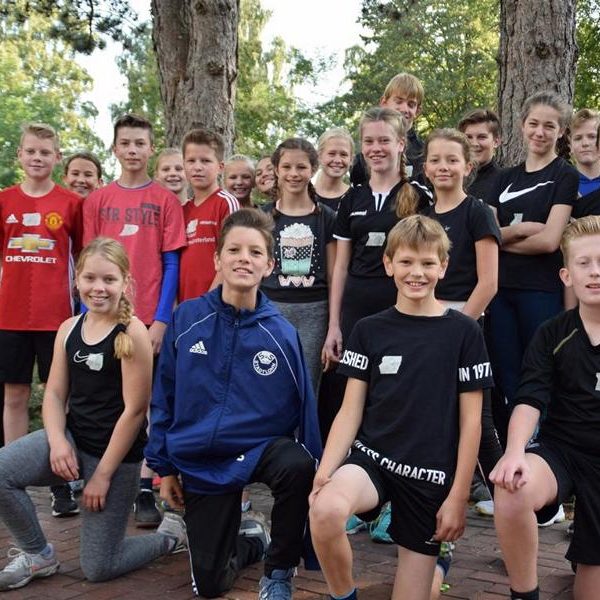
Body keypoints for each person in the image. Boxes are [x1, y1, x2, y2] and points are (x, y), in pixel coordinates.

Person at [309, 215, 492, 600]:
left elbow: (472, 422)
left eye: (427, 263)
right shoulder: (368, 329)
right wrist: (325, 472)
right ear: (389, 263)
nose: (417, 272)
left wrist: (459, 496)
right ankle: (344, 596)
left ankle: (438, 564)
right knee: (324, 511)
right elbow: (350, 410)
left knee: (421, 593)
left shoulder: (464, 332)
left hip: (428, 474)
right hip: (373, 460)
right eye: (406, 261)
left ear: (443, 267)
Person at [146, 208, 322, 599]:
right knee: (210, 586)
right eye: (234, 250)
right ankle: (253, 541)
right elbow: (164, 397)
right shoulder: (186, 319)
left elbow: (305, 412)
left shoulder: (281, 333)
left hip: (258, 449)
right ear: (218, 259)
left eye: (255, 252)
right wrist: (165, 468)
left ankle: (278, 571)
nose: (244, 258)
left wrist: (316, 474)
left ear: (269, 265)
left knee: (297, 463)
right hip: (203, 457)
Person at [0, 237, 187, 592]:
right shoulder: (69, 328)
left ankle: (170, 536)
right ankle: (38, 554)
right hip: (74, 440)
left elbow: (135, 411)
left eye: (108, 279)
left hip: (115, 458)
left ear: (125, 282)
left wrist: (101, 475)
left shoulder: (132, 332)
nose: (98, 288)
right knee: (2, 471)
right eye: (89, 278)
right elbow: (55, 393)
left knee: (99, 567)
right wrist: (58, 441)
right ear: (77, 281)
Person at [83, 113, 187, 527]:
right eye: (125, 143)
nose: (132, 150)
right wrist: (86, 320)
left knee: (147, 405)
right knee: (108, 402)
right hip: (104, 318)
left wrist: (161, 320)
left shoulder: (165, 200)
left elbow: (172, 263)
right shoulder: (97, 200)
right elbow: (89, 263)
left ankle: (146, 485)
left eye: (140, 143)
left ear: (151, 148)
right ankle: (104, 477)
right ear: (114, 148)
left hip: (146, 320)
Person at [491, 215, 600, 600]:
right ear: (567, 276)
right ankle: (525, 594)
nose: (595, 271)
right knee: (512, 487)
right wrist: (514, 451)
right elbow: (530, 399)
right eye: (584, 263)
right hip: (563, 452)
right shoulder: (552, 332)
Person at [320, 107, 426, 440]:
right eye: (369, 141)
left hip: (400, 306)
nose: (375, 148)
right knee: (350, 389)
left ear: (400, 144)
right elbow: (340, 266)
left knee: (396, 384)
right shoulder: (352, 198)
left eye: (384, 140)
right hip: (356, 309)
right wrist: (334, 325)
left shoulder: (419, 196)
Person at [0, 123, 83, 518]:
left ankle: (60, 481)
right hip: (10, 316)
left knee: (57, 398)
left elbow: (83, 259)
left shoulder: (71, 204)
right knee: (14, 396)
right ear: (20, 155)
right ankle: (9, 474)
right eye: (31, 151)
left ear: (57, 157)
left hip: (57, 318)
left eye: (45, 152)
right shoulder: (4, 201)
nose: (37, 157)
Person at [487, 91, 578, 447]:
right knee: (506, 373)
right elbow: (488, 235)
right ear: (522, 125)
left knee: (540, 370)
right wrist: (523, 229)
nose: (540, 132)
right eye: (534, 124)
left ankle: (545, 453)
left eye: (550, 126)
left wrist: (503, 240)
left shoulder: (564, 176)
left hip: (541, 291)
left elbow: (551, 241)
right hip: (500, 292)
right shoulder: (503, 178)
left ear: (561, 131)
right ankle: (516, 450)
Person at [261, 138, 336, 393]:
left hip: (314, 312)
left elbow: (334, 275)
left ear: (313, 169)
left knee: (306, 387)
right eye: (287, 167)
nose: (294, 174)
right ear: (276, 169)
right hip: (270, 309)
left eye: (301, 167)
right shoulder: (263, 216)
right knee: (268, 383)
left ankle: (305, 424)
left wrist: (333, 324)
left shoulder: (326, 217)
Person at [178, 128, 239, 302]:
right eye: (191, 161)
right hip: (185, 304)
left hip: (215, 303)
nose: (197, 167)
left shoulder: (226, 203)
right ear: (184, 165)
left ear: (220, 167)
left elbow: (232, 257)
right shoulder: (182, 210)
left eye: (205, 161)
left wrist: (207, 302)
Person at [350, 72, 425, 186]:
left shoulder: (424, 154)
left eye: (411, 104)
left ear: (417, 111)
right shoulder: (364, 158)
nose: (404, 109)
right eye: (398, 101)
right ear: (384, 103)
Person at [457, 109, 503, 205]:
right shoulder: (451, 177)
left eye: (482, 137)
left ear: (496, 141)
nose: (474, 144)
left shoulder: (503, 182)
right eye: (468, 137)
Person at [314, 128, 353, 212]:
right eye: (331, 154)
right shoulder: (303, 195)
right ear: (319, 156)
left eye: (343, 154)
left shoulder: (357, 198)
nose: (337, 160)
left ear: (351, 159)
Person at [569, 108, 600, 199]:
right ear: (570, 146)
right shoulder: (562, 184)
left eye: (592, 137)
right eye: (578, 138)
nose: (585, 143)